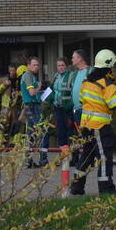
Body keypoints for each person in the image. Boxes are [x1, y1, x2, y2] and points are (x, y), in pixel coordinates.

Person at [71, 49, 116, 196]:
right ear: (108, 65)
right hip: (100, 128)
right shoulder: (107, 83)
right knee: (104, 158)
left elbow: (82, 100)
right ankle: (105, 188)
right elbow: (113, 103)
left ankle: (76, 188)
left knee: (86, 157)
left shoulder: (86, 81)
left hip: (86, 126)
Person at [50, 57, 75, 191]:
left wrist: (70, 104)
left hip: (67, 108)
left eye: (62, 65)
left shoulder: (70, 76)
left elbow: (73, 90)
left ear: (66, 66)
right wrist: (46, 100)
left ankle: (71, 155)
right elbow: (52, 90)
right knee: (60, 132)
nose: (60, 67)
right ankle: (64, 155)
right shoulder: (55, 76)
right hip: (58, 107)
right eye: (58, 65)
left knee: (69, 131)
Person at [20, 56, 44, 167]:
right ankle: (38, 160)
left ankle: (29, 160)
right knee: (39, 132)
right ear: (28, 65)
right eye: (34, 65)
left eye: (37, 65)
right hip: (32, 106)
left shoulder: (30, 75)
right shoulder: (28, 75)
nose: (36, 67)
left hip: (32, 105)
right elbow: (31, 92)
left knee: (31, 133)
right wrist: (39, 87)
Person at [0, 64, 22, 144]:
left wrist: (18, 93)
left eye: (13, 70)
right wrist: (4, 84)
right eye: (10, 70)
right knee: (3, 122)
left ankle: (14, 141)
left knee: (15, 123)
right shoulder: (3, 79)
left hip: (15, 104)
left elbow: (22, 90)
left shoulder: (19, 79)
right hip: (5, 104)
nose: (12, 72)